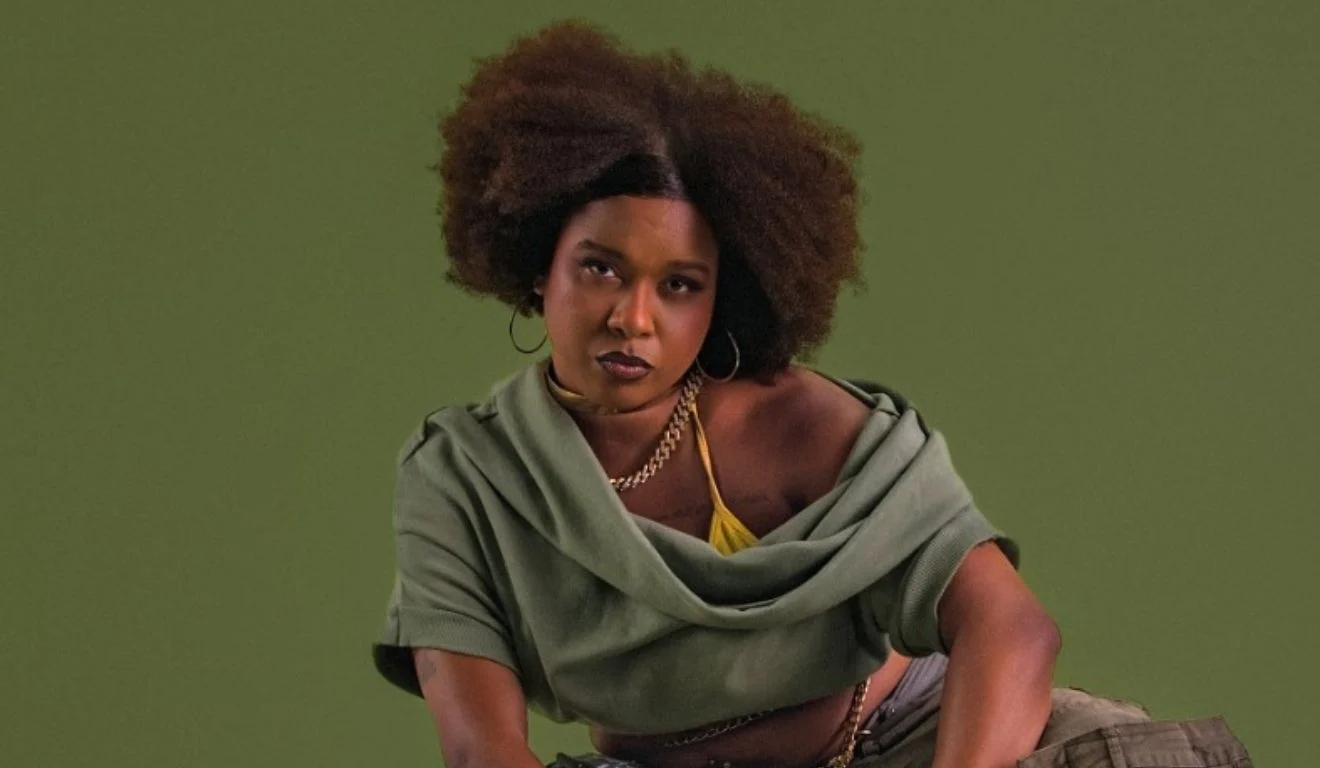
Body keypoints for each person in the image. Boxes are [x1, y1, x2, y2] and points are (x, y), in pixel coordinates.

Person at [371, 21, 1251, 768]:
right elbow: (484, 750)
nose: (633, 318)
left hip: (921, 742)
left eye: (679, 285)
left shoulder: (805, 425)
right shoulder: (463, 477)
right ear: (539, 269)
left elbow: (1011, 629)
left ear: (722, 299)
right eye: (601, 268)